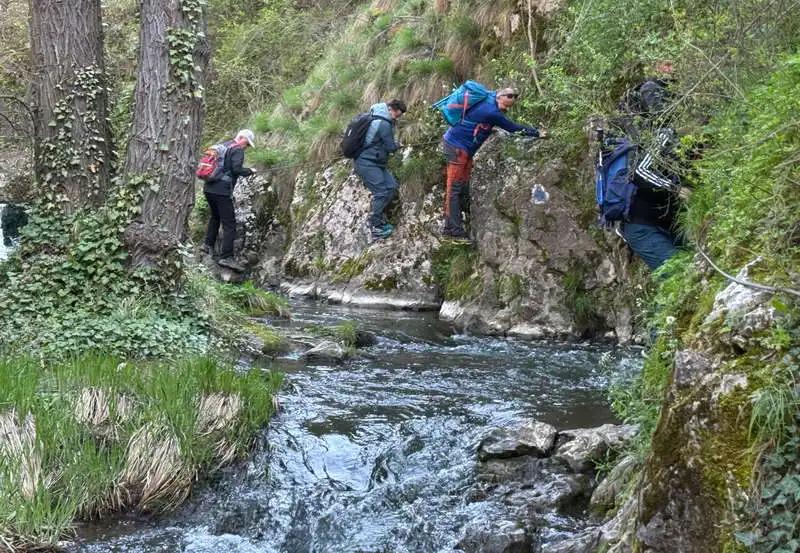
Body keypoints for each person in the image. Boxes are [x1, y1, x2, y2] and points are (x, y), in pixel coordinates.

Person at [441, 88, 546, 244]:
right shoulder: (492, 112)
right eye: (506, 106)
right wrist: (536, 133)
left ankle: (452, 227)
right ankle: (452, 232)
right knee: (454, 189)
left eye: (509, 107)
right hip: (456, 147)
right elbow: (513, 128)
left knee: (461, 186)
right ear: (500, 96)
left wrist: (489, 126)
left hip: (461, 148)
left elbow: (479, 119)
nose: (506, 110)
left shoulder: (489, 100)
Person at [620, 62, 688, 271]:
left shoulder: (689, 142)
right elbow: (640, 172)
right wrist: (677, 189)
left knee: (695, 271)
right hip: (642, 227)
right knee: (677, 276)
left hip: (668, 223)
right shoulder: (664, 136)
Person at [202, 129, 257, 272]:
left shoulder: (224, 145)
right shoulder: (237, 149)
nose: (247, 147)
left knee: (215, 217)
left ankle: (207, 246)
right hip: (222, 191)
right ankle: (226, 256)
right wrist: (250, 171)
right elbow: (237, 169)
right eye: (247, 144)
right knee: (230, 224)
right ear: (242, 138)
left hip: (208, 188)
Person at [354, 99, 407, 241]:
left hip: (375, 163)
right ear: (391, 109)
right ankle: (375, 227)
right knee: (381, 192)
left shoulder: (376, 117)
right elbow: (390, 146)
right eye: (397, 114)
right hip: (367, 163)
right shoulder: (383, 124)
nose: (397, 117)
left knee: (391, 187)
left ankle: (379, 217)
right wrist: (398, 145)